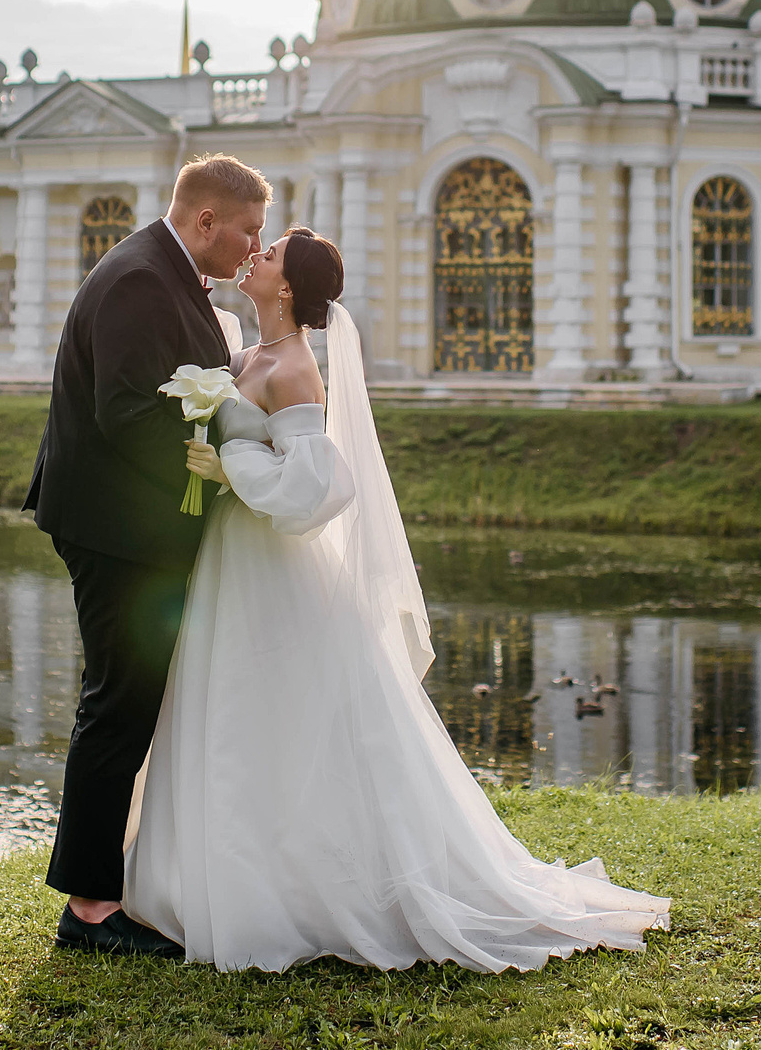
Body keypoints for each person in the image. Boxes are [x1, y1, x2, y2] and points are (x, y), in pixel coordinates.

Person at [123, 226, 670, 972]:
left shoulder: (292, 369)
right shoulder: (246, 356)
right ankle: (208, 879)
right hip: (231, 561)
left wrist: (232, 471)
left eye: (272, 252)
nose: (256, 255)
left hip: (271, 565)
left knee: (279, 712)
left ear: (286, 289)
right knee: (232, 708)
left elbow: (321, 487)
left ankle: (289, 893)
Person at [26, 153, 267, 957]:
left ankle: (110, 884)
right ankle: (91, 909)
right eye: (249, 231)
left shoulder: (166, 271)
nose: (252, 247)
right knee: (118, 702)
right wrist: (214, 464)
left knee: (132, 699)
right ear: (206, 222)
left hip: (136, 524)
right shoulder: (137, 277)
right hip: (113, 528)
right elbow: (127, 413)